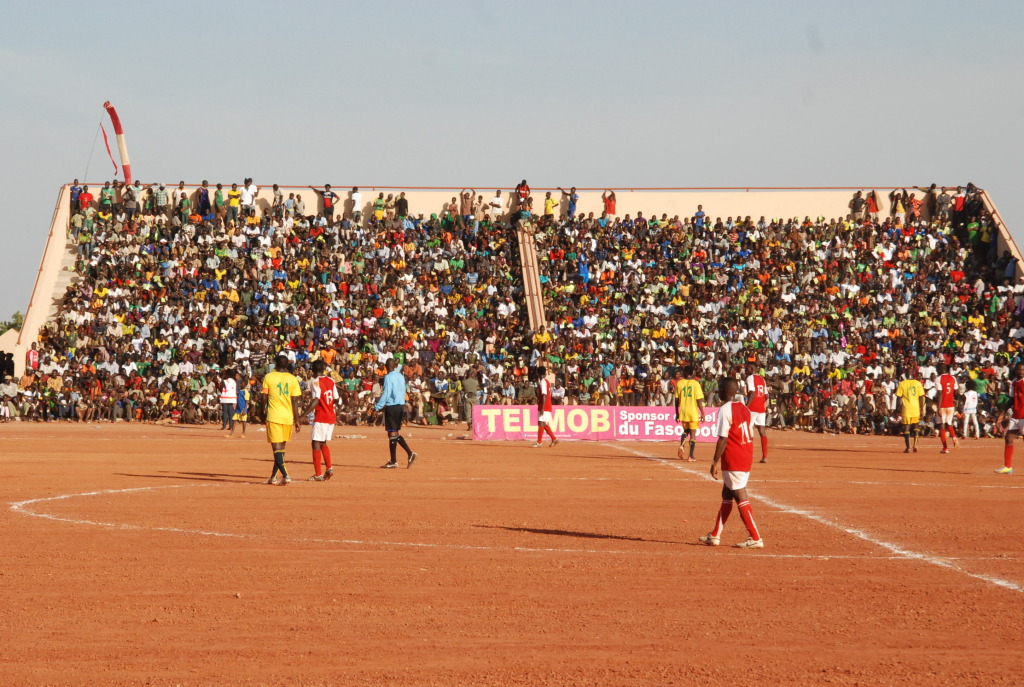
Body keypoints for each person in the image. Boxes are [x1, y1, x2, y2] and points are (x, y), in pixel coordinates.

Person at [699, 377, 764, 549]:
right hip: (745, 454)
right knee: (727, 494)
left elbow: (722, 439)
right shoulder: (744, 408)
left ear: (726, 391)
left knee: (739, 495)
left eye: (720, 388)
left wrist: (714, 462)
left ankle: (755, 536)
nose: (718, 391)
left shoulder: (724, 409)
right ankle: (715, 535)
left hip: (733, 456)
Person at [261, 355, 302, 485]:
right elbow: (295, 400)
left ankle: (286, 475)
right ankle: (273, 477)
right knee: (281, 449)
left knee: (276, 448)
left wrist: (263, 412)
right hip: (288, 416)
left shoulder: (269, 377)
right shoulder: (293, 379)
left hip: (274, 415)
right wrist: (297, 419)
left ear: (275, 364)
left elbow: (264, 397)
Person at [374, 359, 417, 469]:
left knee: (392, 433)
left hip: (392, 406)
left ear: (386, 367)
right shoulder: (400, 376)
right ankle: (398, 458)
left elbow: (387, 393)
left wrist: (377, 407)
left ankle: (404, 456)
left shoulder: (388, 377)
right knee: (393, 433)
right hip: (400, 405)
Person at [300, 360, 336, 481]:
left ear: (312, 370)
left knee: (315, 442)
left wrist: (304, 414)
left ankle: (318, 474)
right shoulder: (331, 380)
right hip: (331, 415)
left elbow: (316, 399)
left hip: (321, 415)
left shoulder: (315, 381)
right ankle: (329, 467)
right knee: (323, 442)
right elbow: (335, 397)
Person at [997, 363, 1024, 475]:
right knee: (1008, 437)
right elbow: (1011, 400)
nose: (1020, 371)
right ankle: (1008, 466)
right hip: (1016, 415)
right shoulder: (1013, 382)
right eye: (1019, 369)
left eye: (1022, 370)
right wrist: (1002, 414)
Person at [674, 365, 704, 461]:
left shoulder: (679, 383)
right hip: (693, 412)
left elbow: (676, 400)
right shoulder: (696, 384)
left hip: (683, 411)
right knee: (693, 433)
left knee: (686, 430)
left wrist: (677, 413)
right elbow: (699, 400)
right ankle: (691, 456)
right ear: (691, 373)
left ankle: (682, 445)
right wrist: (702, 412)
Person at [896, 366, 926, 454]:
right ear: (913, 373)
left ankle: (908, 447)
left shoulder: (902, 383)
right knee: (916, 426)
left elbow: (899, 398)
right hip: (916, 407)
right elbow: (921, 397)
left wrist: (898, 409)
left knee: (906, 427)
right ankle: (915, 445)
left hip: (906, 408)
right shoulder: (918, 383)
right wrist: (921, 408)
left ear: (905, 374)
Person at [744, 363, 769, 463]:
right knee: (762, 431)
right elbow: (766, 394)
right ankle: (765, 456)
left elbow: (753, 393)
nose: (746, 370)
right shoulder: (762, 379)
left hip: (752, 407)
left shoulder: (750, 378)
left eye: (747, 368)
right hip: (761, 408)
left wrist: (747, 406)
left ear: (751, 369)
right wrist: (765, 404)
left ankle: (748, 455)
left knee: (749, 431)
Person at [935, 363, 960, 454]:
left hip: (943, 405)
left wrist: (939, 407)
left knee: (942, 425)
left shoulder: (938, 379)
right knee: (949, 423)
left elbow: (940, 393)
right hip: (951, 405)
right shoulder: (953, 378)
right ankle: (953, 436)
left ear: (941, 369)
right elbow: (956, 392)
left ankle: (945, 448)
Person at [532, 366, 559, 448]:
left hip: (545, 405)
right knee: (543, 423)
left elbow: (544, 394)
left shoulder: (543, 382)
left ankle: (539, 442)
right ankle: (554, 439)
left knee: (541, 422)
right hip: (546, 404)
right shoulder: (546, 381)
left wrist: (542, 407)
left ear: (538, 373)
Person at [219, 369, 237, 434]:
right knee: (231, 413)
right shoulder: (234, 381)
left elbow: (221, 386)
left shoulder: (225, 381)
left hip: (225, 398)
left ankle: (224, 426)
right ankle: (231, 426)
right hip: (232, 398)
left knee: (225, 413)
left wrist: (222, 377)